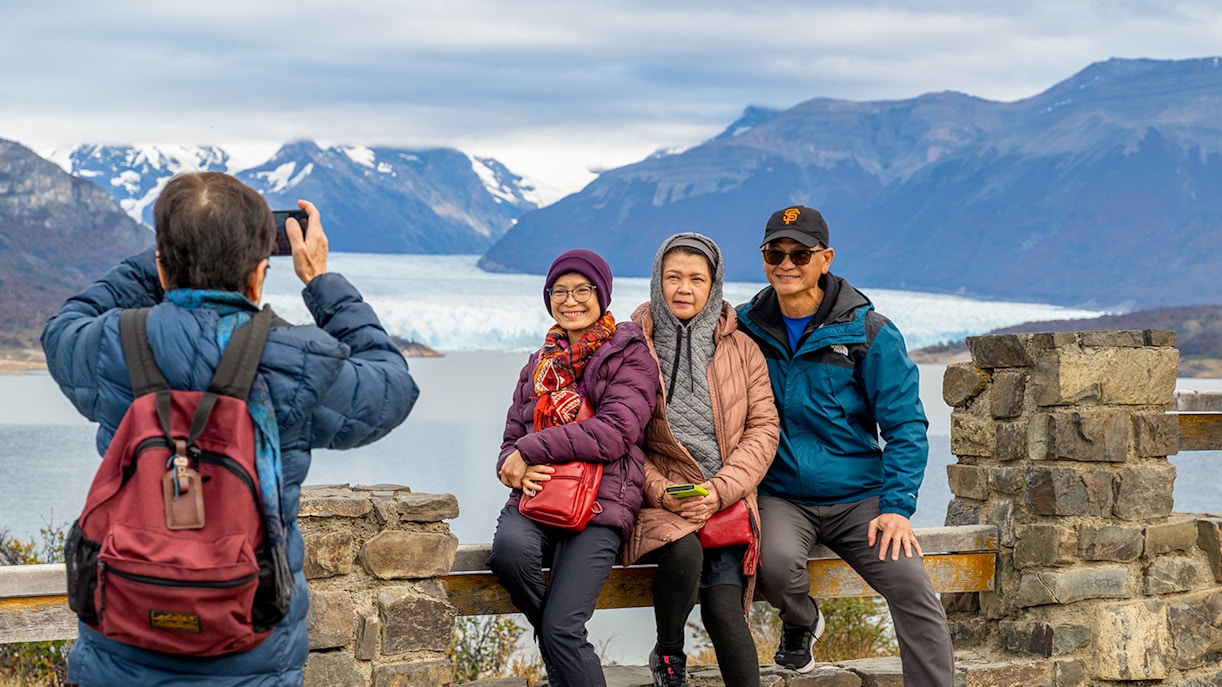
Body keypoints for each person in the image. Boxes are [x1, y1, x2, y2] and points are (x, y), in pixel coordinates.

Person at [41, 172, 418, 686]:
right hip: (252, 657)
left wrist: (170, 253)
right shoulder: (296, 361)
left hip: (118, 651)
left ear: (161, 265)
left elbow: (65, 324)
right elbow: (392, 386)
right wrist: (322, 283)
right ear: (260, 274)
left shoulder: (114, 344)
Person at [736, 206, 954, 686]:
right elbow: (680, 333)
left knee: (914, 590)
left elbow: (906, 427)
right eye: (775, 252)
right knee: (771, 565)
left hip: (863, 500)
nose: (786, 263)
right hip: (780, 495)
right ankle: (801, 621)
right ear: (764, 257)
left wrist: (897, 507)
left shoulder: (869, 332)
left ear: (825, 258)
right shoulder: (742, 327)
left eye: (800, 253)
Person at [487, 249, 659, 687]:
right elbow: (512, 437)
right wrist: (514, 466)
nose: (571, 300)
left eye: (583, 289)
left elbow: (615, 432)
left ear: (602, 295)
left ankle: (560, 648)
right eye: (559, 291)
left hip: (603, 501)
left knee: (562, 627)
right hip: (539, 496)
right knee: (508, 551)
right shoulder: (539, 363)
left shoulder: (629, 354)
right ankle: (562, 653)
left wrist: (532, 448)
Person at [623, 233, 779, 687]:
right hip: (657, 499)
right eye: (673, 277)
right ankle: (669, 653)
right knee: (684, 551)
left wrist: (718, 491)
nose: (684, 289)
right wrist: (661, 491)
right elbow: (624, 438)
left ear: (715, 284)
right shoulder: (632, 347)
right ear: (657, 281)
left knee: (724, 612)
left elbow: (763, 429)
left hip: (723, 500)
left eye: (696, 278)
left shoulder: (742, 349)